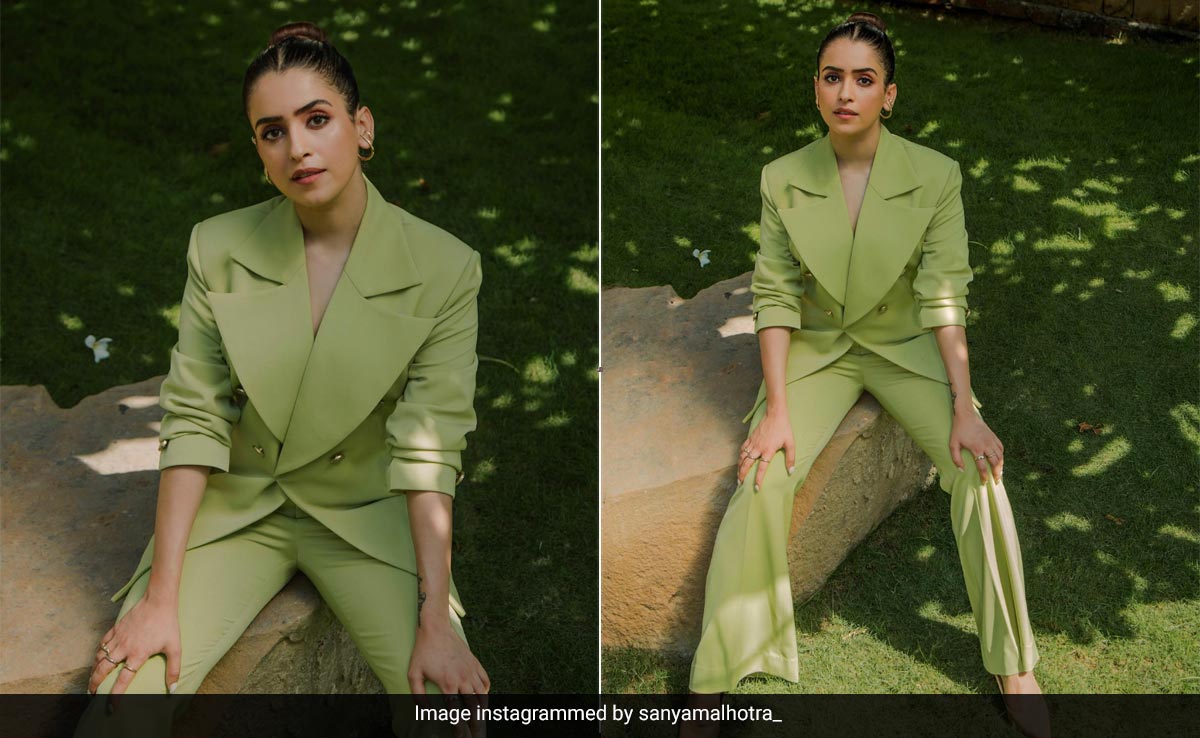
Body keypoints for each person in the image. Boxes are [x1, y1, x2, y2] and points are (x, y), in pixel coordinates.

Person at [75, 20, 488, 735]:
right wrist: (160, 596)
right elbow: (195, 417)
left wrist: (436, 616)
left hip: (365, 518)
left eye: (317, 120)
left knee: (451, 720)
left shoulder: (446, 267)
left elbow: (431, 447)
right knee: (119, 707)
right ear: (258, 149)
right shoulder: (217, 246)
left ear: (362, 128)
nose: (296, 147)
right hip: (239, 509)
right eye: (272, 131)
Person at [683, 12, 1049, 738]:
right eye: (832, 76)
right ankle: (714, 682)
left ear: (889, 95)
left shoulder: (936, 176)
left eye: (863, 79)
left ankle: (1014, 661)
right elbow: (777, 295)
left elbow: (945, 295)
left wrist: (964, 404)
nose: (845, 92)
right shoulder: (782, 178)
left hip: (904, 345)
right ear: (816, 88)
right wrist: (777, 410)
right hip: (819, 347)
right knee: (761, 475)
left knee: (978, 470)